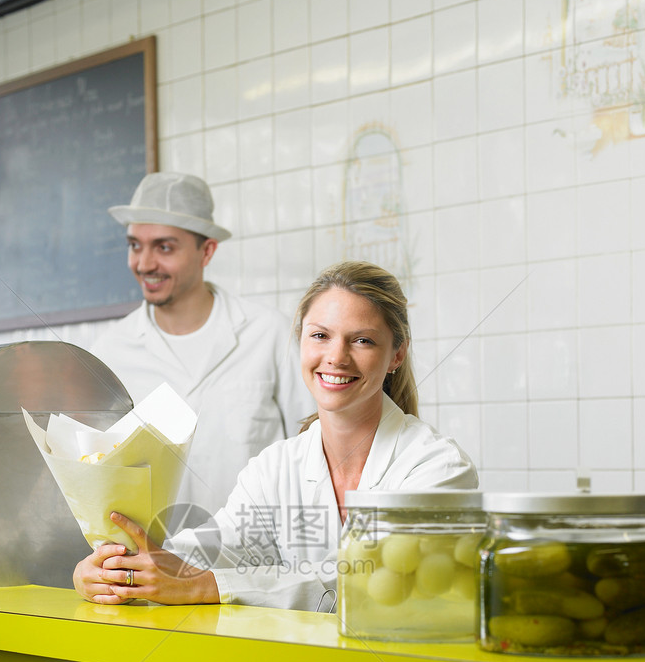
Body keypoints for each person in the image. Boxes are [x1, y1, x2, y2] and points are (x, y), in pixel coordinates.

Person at [74, 260, 478, 612]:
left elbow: (375, 585)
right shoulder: (275, 468)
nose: (336, 357)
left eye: (362, 340)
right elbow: (216, 548)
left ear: (396, 355)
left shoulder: (437, 468)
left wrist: (211, 586)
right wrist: (115, 570)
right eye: (320, 335)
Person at [89, 171, 306, 526]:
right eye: (134, 245)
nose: (144, 264)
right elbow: (97, 474)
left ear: (206, 251)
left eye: (164, 247)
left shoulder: (269, 334)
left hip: (257, 566)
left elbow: (314, 447)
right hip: (154, 567)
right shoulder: (110, 353)